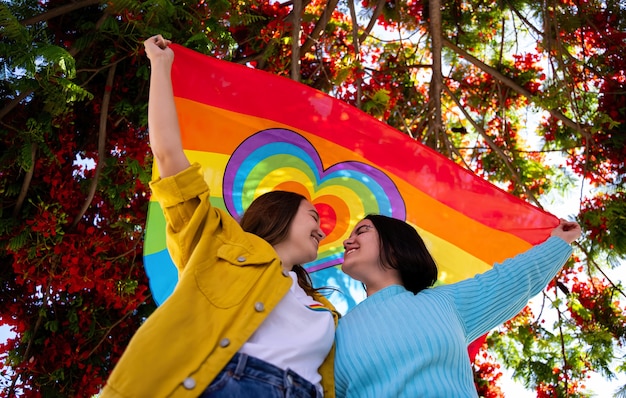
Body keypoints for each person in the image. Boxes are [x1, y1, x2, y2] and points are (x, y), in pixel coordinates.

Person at [100, 35, 339, 398]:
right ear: (280, 214)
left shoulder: (327, 311)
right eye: (312, 217)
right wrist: (161, 65)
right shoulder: (216, 240)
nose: (322, 231)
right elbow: (167, 155)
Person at [334, 214, 581, 397]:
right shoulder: (336, 331)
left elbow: (511, 278)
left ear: (396, 246)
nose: (348, 241)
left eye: (362, 231)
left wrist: (558, 242)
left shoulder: (442, 302)